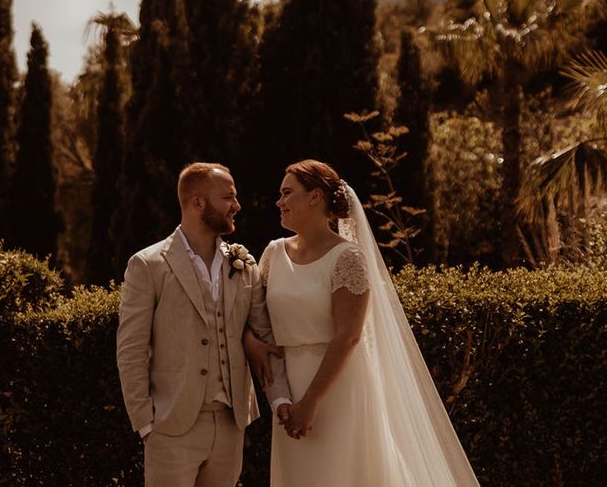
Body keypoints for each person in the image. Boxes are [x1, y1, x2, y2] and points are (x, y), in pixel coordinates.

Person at [246, 159, 479, 486]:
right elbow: (256, 318)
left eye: (288, 193)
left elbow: (349, 336)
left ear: (315, 197)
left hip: (338, 388)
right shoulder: (272, 254)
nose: (279, 202)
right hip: (287, 388)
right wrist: (254, 349)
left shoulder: (347, 258)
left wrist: (311, 402)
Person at [117, 162, 291, 487]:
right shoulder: (148, 265)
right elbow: (131, 350)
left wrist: (280, 399)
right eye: (228, 197)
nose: (237, 206)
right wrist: (145, 423)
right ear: (198, 203)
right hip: (170, 426)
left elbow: (264, 337)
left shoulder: (244, 265)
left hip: (230, 422)